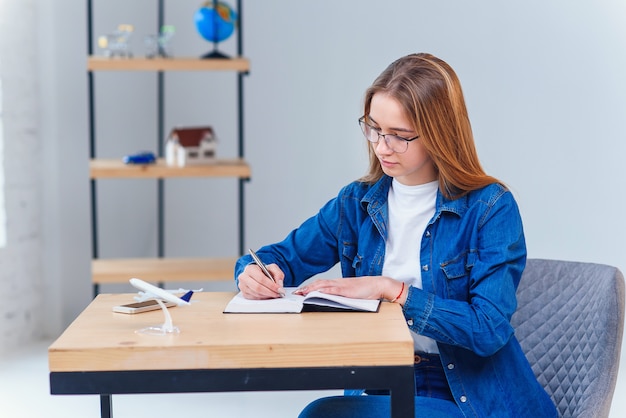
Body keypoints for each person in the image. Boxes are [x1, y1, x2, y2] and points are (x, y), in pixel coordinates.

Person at [234, 53, 557, 418]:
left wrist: (395, 291)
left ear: (439, 133)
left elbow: (488, 329)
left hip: (469, 396)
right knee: (320, 413)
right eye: (374, 129)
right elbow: (279, 257)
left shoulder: (490, 208)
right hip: (383, 377)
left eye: (400, 136)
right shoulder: (355, 204)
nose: (382, 146)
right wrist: (251, 273)